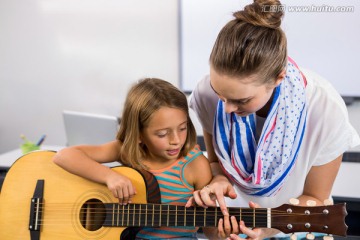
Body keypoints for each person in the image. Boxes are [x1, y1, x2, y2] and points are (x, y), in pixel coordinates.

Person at [186, 0, 360, 239]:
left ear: (279, 77)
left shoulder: (324, 108)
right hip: (226, 227)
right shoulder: (206, 94)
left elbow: (316, 198)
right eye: (220, 95)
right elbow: (216, 164)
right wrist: (216, 179)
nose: (225, 109)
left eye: (242, 100)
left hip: (294, 227)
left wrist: (268, 229)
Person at [53, 78, 213, 239]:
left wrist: (222, 232)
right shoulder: (128, 151)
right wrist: (109, 176)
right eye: (162, 134)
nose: (176, 140)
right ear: (138, 135)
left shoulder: (196, 165)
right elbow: (63, 156)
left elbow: (210, 230)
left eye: (182, 128)